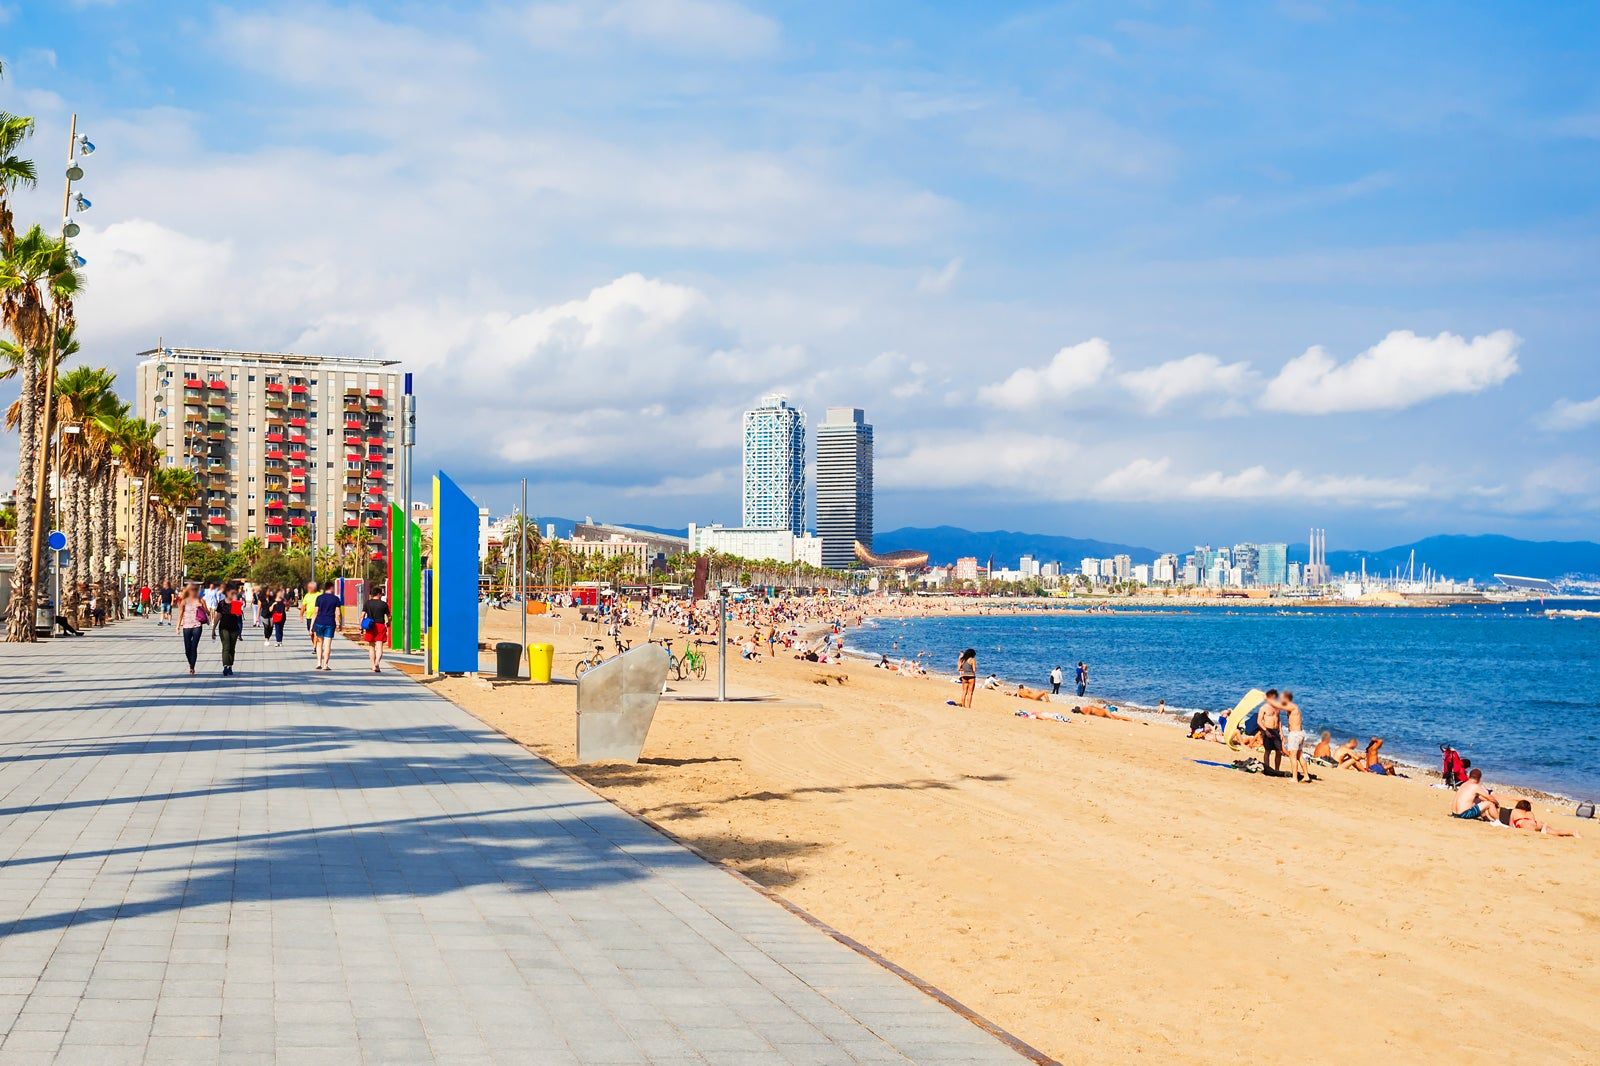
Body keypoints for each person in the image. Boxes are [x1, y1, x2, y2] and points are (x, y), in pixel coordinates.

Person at [1502, 799, 1579, 837]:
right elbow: (1533, 822)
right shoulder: (1530, 813)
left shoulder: (1515, 810)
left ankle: (1543, 832)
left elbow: (1511, 825)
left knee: (1531, 831)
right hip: (1536, 823)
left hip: (1523, 823)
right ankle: (1573, 832)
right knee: (1555, 831)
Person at [311, 583, 343, 670]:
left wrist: (311, 626)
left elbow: (315, 612)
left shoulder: (319, 598)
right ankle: (325, 665)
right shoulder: (335, 599)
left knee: (319, 643)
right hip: (330, 623)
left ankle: (318, 663)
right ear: (331, 588)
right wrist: (339, 623)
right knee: (327, 644)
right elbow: (338, 613)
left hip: (319, 622)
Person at [176, 584, 207, 675]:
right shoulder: (184, 601)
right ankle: (190, 663)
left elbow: (207, 611)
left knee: (194, 647)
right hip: (186, 626)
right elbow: (180, 614)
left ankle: (192, 667)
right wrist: (177, 626)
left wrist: (202, 606)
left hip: (197, 625)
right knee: (187, 649)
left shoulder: (200, 600)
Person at [1280, 690, 1309, 783]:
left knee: (1292, 756)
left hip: (1295, 734)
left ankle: (1295, 778)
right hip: (1300, 733)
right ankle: (1306, 776)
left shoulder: (1291, 706)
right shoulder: (1293, 707)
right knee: (1299, 756)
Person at [360, 589, 390, 673]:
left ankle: (373, 666)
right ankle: (377, 663)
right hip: (380, 626)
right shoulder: (384, 604)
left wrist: (361, 628)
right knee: (379, 646)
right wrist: (388, 623)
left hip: (370, 626)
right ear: (379, 594)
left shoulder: (367, 603)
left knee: (371, 646)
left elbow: (362, 616)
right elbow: (389, 616)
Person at [1257, 689, 1285, 776]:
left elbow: (1279, 720)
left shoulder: (1277, 707)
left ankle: (1276, 770)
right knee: (1267, 751)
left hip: (1276, 731)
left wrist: (1281, 732)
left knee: (1279, 751)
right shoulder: (1263, 708)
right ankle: (1267, 768)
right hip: (1267, 730)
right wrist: (1265, 731)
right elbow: (1259, 721)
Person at [217, 585, 244, 676]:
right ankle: (225, 666)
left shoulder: (235, 603)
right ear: (226, 593)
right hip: (223, 627)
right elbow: (218, 616)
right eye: (231, 593)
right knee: (226, 646)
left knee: (232, 648)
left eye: (234, 593)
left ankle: (230, 666)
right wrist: (213, 629)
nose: (233, 594)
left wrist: (236, 602)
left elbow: (237, 615)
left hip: (234, 628)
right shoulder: (221, 603)